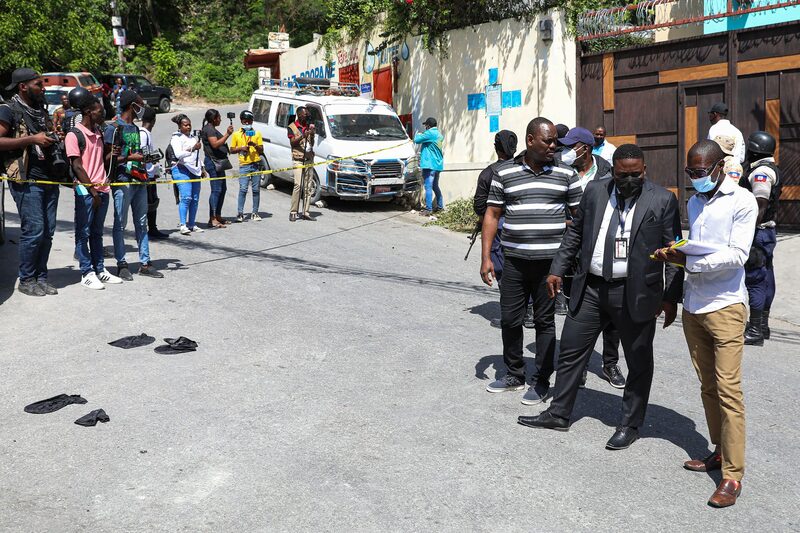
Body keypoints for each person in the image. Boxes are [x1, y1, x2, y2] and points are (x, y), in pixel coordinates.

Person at [517, 144, 683, 452]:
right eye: (623, 175)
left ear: (644, 170)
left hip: (634, 292)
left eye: (636, 174)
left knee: (638, 361)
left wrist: (671, 297)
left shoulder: (662, 199)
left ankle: (630, 424)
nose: (629, 180)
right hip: (591, 287)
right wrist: (557, 269)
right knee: (570, 351)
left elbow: (673, 252)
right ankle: (559, 412)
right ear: (613, 172)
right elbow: (575, 234)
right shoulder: (594, 191)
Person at [654, 140, 757, 508]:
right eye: (690, 173)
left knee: (729, 390)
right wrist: (676, 253)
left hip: (726, 305)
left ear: (718, 167)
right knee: (708, 386)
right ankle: (718, 449)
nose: (694, 179)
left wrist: (689, 261)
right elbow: (696, 245)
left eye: (699, 172)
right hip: (694, 306)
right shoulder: (695, 201)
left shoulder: (743, 201)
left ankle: (732, 475)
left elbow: (738, 255)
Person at [480, 117, 582, 405]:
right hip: (513, 262)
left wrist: (571, 259)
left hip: (550, 266)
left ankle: (541, 380)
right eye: (548, 141)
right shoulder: (505, 173)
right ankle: (514, 373)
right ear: (530, 140)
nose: (553, 146)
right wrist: (486, 256)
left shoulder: (566, 174)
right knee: (511, 319)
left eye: (554, 142)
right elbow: (492, 215)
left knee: (544, 321)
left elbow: (579, 218)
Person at [558, 126, 625, 389]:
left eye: (569, 147)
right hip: (574, 250)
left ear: (584, 148)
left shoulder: (609, 171)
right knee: (577, 311)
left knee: (612, 317)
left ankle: (610, 364)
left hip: (606, 249)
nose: (563, 152)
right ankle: (581, 364)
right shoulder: (562, 171)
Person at [0, 68, 62, 296]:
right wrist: (32, 139)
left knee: (48, 231)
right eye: (38, 84)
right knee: (34, 230)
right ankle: (27, 279)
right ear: (23, 86)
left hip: (49, 178)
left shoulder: (39, 109)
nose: (42, 88)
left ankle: (41, 277)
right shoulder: (8, 110)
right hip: (26, 178)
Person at [65, 89, 122, 289]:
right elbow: (77, 166)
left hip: (102, 188)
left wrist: (112, 155)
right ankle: (86, 272)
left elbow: (99, 161)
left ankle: (100, 269)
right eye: (99, 111)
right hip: (86, 191)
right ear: (89, 111)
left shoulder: (98, 132)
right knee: (83, 232)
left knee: (97, 233)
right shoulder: (74, 135)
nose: (103, 114)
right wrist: (93, 191)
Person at [104, 90, 162, 280]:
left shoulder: (136, 129)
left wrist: (146, 160)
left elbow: (138, 154)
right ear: (131, 106)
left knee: (142, 222)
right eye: (139, 104)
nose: (142, 108)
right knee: (120, 223)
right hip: (122, 181)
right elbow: (107, 158)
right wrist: (129, 157)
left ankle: (145, 263)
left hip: (139, 180)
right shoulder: (113, 128)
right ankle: (121, 264)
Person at [739, 131, 781, 345]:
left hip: (758, 233)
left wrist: (746, 231)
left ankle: (755, 330)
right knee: (766, 278)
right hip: (767, 233)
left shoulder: (760, 173)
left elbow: (760, 205)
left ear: (755, 150)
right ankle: (762, 326)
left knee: (755, 279)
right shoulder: (768, 168)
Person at [473, 129, 518, 294]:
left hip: (497, 225)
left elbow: (479, 206)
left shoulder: (487, 173)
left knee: (499, 263)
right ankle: (527, 307)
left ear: (496, 147)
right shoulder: (523, 170)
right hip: (520, 222)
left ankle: (512, 301)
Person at [169, 114, 204, 235]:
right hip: (181, 169)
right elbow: (178, 154)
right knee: (186, 197)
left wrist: (202, 168)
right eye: (185, 125)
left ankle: (192, 224)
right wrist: (192, 149)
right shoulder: (176, 138)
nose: (188, 127)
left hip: (195, 170)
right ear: (180, 126)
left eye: (189, 124)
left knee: (195, 199)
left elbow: (197, 156)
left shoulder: (193, 138)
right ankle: (183, 225)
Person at [139, 106, 168, 239]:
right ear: (154, 120)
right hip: (146, 174)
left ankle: (152, 228)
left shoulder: (143, 132)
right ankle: (147, 230)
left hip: (151, 172)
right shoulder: (144, 134)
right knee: (149, 204)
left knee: (153, 202)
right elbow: (143, 155)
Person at [202, 109, 234, 228]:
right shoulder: (209, 129)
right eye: (219, 117)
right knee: (216, 190)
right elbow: (215, 144)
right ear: (214, 118)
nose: (220, 119)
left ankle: (218, 215)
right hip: (213, 163)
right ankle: (212, 218)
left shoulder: (212, 128)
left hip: (220, 163)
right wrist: (227, 134)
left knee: (222, 189)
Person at [230, 110, 263, 222]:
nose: (247, 124)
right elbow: (232, 149)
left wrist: (254, 145)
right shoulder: (236, 134)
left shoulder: (257, 133)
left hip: (256, 164)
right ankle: (240, 213)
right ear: (241, 121)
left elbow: (261, 150)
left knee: (256, 190)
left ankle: (255, 212)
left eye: (249, 122)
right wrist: (241, 148)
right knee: (243, 189)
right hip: (244, 165)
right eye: (245, 122)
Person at [287, 107, 315, 222]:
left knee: (308, 186)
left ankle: (305, 212)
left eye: (307, 115)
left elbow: (312, 143)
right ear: (299, 115)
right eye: (305, 115)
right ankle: (293, 211)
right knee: (298, 185)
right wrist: (303, 135)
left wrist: (312, 134)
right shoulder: (292, 127)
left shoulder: (309, 125)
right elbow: (292, 142)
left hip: (308, 159)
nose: (307, 116)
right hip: (298, 159)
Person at [414, 117, 444, 216]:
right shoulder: (439, 134)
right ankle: (440, 207)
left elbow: (417, 140)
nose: (425, 127)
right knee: (435, 186)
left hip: (429, 165)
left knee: (428, 186)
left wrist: (418, 134)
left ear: (428, 125)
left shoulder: (430, 133)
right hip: (437, 165)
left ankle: (428, 209)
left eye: (426, 125)